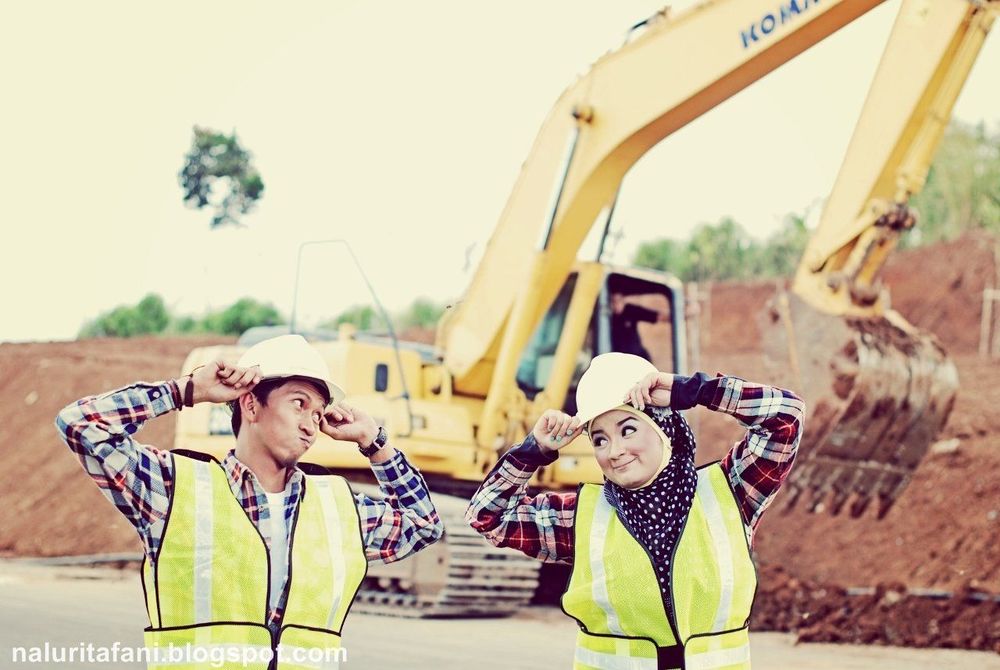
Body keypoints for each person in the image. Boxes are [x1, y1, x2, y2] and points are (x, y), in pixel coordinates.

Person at [56, 334, 443, 669]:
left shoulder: (336, 508)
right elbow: (81, 425)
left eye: (319, 412)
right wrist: (186, 391)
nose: (311, 424)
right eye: (298, 403)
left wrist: (374, 442)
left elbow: (423, 525)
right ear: (251, 405)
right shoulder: (174, 490)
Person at [466, 353, 805, 670]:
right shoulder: (582, 518)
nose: (614, 451)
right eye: (599, 439)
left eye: (628, 429)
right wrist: (533, 451)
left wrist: (696, 390)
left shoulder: (731, 491)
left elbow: (785, 417)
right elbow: (488, 516)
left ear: (664, 429)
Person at [609, 293, 667, 360]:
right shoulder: (605, 317)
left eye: (618, 301)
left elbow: (658, 316)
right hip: (618, 359)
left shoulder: (630, 310)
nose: (616, 305)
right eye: (613, 301)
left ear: (623, 301)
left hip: (637, 356)